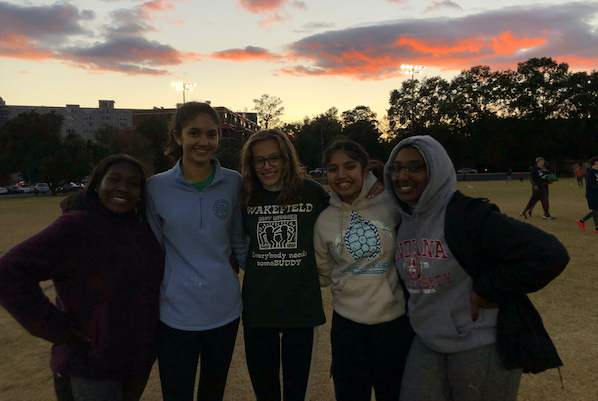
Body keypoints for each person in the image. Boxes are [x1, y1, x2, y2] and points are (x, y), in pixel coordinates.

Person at [384, 136, 569, 401]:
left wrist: (488, 287)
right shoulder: (402, 219)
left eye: (415, 167)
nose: (403, 176)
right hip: (426, 341)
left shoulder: (468, 214)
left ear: (436, 169)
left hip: (478, 341)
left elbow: (549, 253)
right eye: (396, 168)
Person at [0, 155, 164, 401]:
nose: (123, 188)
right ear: (97, 183)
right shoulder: (76, 226)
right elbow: (9, 272)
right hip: (90, 366)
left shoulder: (142, 229)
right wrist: (58, 328)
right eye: (115, 179)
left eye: (133, 183)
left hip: (137, 362)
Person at [145, 102, 248, 401]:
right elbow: (154, 248)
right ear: (178, 137)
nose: (204, 142)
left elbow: (238, 241)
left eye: (211, 134)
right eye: (194, 133)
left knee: (212, 393)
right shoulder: (155, 188)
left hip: (225, 310)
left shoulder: (233, 182)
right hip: (176, 313)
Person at [314, 140, 414, 401]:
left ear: (364, 169)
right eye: (333, 169)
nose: (341, 175)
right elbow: (322, 274)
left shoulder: (394, 205)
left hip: (394, 325)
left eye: (349, 166)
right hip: (347, 328)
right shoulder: (324, 220)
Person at [239, 129, 329, 401]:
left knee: (295, 392)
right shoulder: (244, 196)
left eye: (274, 158)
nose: (266, 166)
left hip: (301, 306)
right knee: (264, 391)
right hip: (258, 306)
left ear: (287, 158)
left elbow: (345, 214)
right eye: (259, 160)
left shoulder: (312, 193)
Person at [577, 157, 598, 233]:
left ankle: (597, 228)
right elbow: (590, 184)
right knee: (596, 210)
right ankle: (581, 220)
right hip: (592, 194)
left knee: (595, 210)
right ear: (596, 162)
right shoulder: (589, 172)